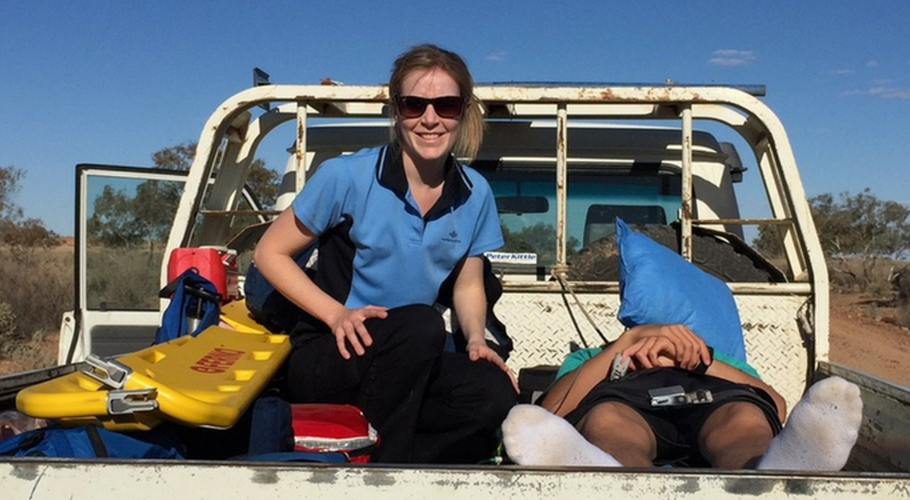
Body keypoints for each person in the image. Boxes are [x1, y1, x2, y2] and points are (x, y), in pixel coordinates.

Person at [252, 44, 516, 464]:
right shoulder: (346, 176)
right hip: (332, 351)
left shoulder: (475, 193)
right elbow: (269, 253)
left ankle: (395, 459)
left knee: (493, 391)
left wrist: (476, 340)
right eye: (414, 105)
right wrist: (336, 315)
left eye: (446, 105)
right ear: (396, 110)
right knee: (423, 325)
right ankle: (383, 472)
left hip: (411, 356)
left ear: (464, 111)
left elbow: (468, 285)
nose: (430, 119)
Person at [501, 324, 863, 470]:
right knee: (608, 422)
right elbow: (554, 409)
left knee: (744, 420)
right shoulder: (594, 357)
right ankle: (609, 474)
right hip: (625, 401)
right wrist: (627, 344)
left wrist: (700, 360)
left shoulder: (719, 359)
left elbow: (776, 406)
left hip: (709, 396)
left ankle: (775, 471)